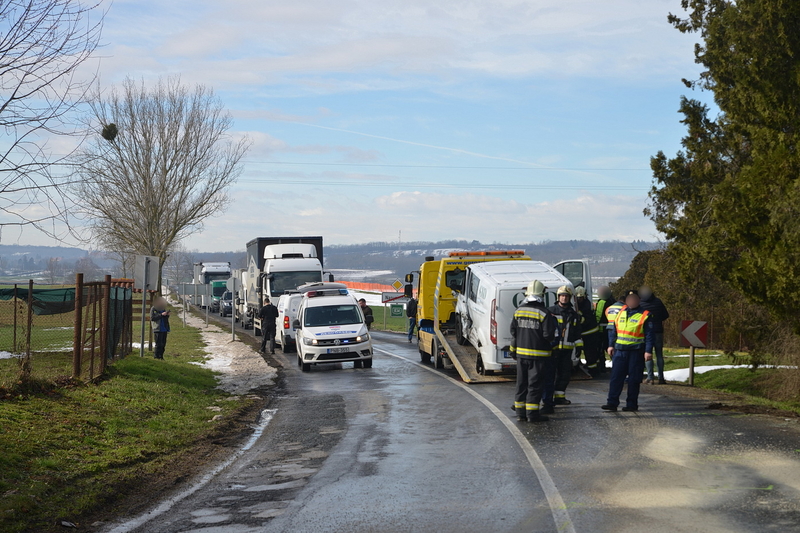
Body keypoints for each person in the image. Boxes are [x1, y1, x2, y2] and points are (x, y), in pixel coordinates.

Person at [510, 280, 558, 422]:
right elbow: (548, 335)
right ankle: (532, 414)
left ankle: (520, 413)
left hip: (521, 356)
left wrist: (513, 351)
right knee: (534, 385)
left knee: (521, 384)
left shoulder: (519, 311)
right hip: (538, 356)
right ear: (542, 294)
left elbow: (513, 332)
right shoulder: (544, 313)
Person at [602, 290, 655, 412]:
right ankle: (612, 403)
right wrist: (610, 345)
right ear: (626, 301)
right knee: (616, 378)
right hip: (620, 351)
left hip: (636, 351)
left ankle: (631, 404)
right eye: (629, 300)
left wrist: (648, 351)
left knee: (634, 379)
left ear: (638, 301)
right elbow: (613, 330)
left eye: (634, 299)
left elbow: (649, 335)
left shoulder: (645, 315)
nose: (632, 301)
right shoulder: (620, 313)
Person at [543, 285, 582, 412]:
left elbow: (577, 332)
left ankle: (559, 397)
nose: (564, 298)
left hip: (567, 350)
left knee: (564, 374)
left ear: (569, 298)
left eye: (566, 296)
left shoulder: (574, 314)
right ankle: (548, 398)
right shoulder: (550, 311)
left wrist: (579, 346)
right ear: (558, 297)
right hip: (553, 349)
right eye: (562, 296)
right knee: (550, 375)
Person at [639, 286, 670, 384]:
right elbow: (666, 315)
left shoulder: (641, 303)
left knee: (648, 353)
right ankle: (661, 377)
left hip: (646, 332)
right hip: (658, 330)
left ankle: (650, 377)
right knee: (659, 354)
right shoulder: (658, 302)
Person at [575, 286, 603, 376]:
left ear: (584, 296)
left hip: (590, 333)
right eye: (577, 298)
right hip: (585, 332)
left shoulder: (586, 305)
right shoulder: (581, 304)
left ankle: (593, 371)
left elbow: (585, 320)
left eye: (580, 298)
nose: (578, 299)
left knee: (590, 352)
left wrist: (577, 317)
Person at [594, 286, 614, 370]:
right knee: (611, 348)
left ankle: (602, 367)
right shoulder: (613, 301)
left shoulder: (601, 302)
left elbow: (598, 316)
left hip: (602, 329)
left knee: (600, 348)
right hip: (612, 329)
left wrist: (595, 324)